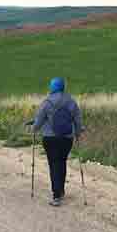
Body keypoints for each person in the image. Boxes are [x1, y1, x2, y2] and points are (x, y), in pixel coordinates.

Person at [29, 77, 83, 206]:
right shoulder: (71, 102)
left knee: (53, 164)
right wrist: (78, 133)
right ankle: (61, 190)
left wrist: (33, 129)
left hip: (50, 139)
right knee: (62, 162)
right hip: (66, 139)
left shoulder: (47, 102)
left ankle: (56, 195)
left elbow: (39, 121)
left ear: (52, 87)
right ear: (63, 87)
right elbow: (78, 120)